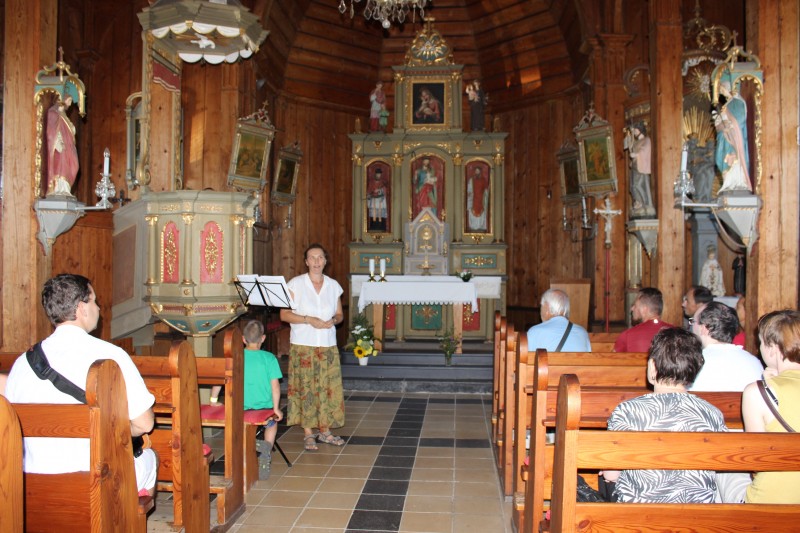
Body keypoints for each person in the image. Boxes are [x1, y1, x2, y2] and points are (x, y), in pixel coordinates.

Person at [4, 274, 157, 496]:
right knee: (149, 458)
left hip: (30, 483)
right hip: (94, 482)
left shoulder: (23, 363)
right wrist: (117, 429)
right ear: (82, 308)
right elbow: (145, 423)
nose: (98, 308)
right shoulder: (110, 355)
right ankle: (123, 517)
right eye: (94, 301)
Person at [601, 328, 728, 503]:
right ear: (695, 369)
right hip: (698, 513)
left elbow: (611, 474)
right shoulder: (712, 413)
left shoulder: (628, 410)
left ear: (652, 367)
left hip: (640, 513)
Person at [718, 310, 800, 503]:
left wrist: (768, 384)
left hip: (770, 501)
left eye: (761, 343)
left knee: (722, 469)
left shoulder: (758, 392)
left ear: (772, 348)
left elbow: (755, 463)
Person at [280, 244, 346, 451]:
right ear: (306, 261)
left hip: (327, 345)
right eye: (312, 257)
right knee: (306, 388)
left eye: (320, 257)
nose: (317, 261)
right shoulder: (295, 284)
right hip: (304, 345)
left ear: (325, 261)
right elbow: (284, 314)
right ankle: (308, 432)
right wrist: (308, 319)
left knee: (327, 388)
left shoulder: (333, 285)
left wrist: (333, 320)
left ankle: (325, 430)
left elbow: (339, 315)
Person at [241, 319, 283, 479]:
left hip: (240, 408)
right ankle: (266, 449)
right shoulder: (269, 358)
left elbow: (220, 380)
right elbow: (275, 387)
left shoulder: (235, 357)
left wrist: (213, 399)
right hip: (264, 409)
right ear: (263, 338)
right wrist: (276, 409)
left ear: (243, 339)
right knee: (272, 423)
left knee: (239, 427)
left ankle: (249, 444)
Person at [689, 302, 763, 392]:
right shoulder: (754, 362)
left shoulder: (694, 363)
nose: (691, 327)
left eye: (693, 322)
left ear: (704, 328)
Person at [714, 79, 752, 193]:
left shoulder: (738, 102)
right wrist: (721, 125)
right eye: (720, 89)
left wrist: (729, 125)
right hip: (725, 138)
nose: (721, 91)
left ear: (729, 88)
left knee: (732, 159)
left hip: (734, 139)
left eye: (722, 88)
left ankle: (735, 183)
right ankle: (727, 184)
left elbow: (739, 120)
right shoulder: (727, 105)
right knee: (721, 159)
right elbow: (720, 124)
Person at [526, 289, 590, 352]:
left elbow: (526, 357)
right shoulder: (582, 333)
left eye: (542, 306)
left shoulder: (535, 332)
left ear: (547, 308)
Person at [614, 287, 674, 352]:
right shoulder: (676, 333)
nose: (632, 308)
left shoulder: (628, 335)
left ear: (644, 309)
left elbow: (613, 357)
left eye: (635, 305)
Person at [46, 95, 79, 196]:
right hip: (61, 147)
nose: (70, 103)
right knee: (61, 165)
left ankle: (66, 187)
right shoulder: (53, 113)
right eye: (69, 100)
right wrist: (57, 142)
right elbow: (51, 130)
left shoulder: (63, 115)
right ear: (62, 99)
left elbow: (71, 130)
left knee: (74, 165)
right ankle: (60, 188)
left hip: (68, 146)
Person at [625, 123, 654, 217]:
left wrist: (636, 154)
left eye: (635, 130)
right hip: (634, 166)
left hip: (641, 166)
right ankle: (638, 202)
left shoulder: (646, 140)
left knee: (637, 185)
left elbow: (645, 150)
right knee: (632, 187)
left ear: (640, 130)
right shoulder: (636, 142)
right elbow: (632, 149)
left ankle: (644, 203)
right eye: (634, 130)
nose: (634, 132)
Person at [466, 165, 489, 232]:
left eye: (478, 171)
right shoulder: (471, 180)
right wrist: (470, 193)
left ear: (480, 172)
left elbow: (486, 190)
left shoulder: (483, 180)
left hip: (481, 199)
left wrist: (485, 195)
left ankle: (481, 226)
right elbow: (469, 189)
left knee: (482, 211)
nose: (477, 172)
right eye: (476, 171)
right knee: (472, 210)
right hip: (473, 199)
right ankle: (473, 226)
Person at [366, 167, 388, 232]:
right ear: (375, 174)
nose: (378, 175)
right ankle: (374, 226)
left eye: (379, 174)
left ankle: (381, 227)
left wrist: (380, 190)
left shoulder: (382, 182)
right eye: (377, 174)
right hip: (374, 200)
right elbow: (369, 191)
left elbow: (385, 191)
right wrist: (369, 195)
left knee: (381, 213)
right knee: (374, 213)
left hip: (380, 201)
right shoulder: (371, 182)